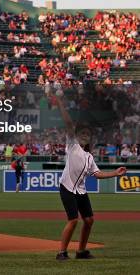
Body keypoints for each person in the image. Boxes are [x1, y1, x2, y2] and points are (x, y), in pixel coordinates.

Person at [54, 96, 127, 261]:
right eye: (83, 133)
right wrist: (60, 104)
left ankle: (81, 251)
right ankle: (62, 252)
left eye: (87, 134)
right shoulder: (72, 146)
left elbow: (97, 174)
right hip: (67, 188)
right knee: (73, 220)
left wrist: (115, 173)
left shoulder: (89, 157)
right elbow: (68, 124)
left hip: (80, 190)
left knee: (89, 220)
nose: (85, 135)